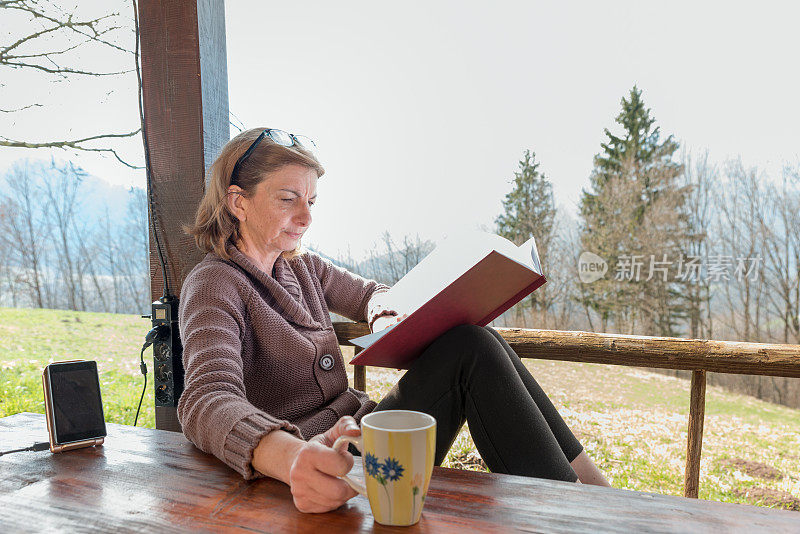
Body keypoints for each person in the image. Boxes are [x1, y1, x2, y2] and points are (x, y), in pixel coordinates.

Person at [178, 127, 610, 514]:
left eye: (311, 201)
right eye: (288, 199)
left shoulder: (302, 267)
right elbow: (207, 399)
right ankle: (576, 512)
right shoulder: (215, 284)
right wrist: (292, 458)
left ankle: (602, 500)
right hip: (323, 461)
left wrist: (381, 312)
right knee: (470, 349)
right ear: (239, 202)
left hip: (363, 435)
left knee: (478, 339)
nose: (307, 217)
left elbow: (370, 293)